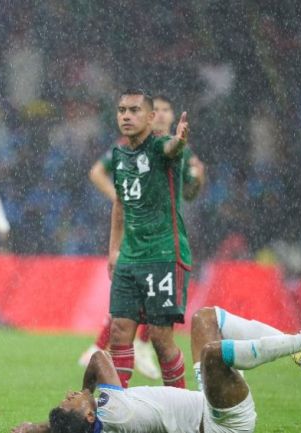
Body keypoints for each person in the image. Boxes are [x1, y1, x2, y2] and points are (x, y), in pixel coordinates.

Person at [11, 302, 301, 433]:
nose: (72, 393)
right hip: (221, 425)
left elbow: (70, 425)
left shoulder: (96, 422)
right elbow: (100, 359)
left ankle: (293, 350)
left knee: (205, 319)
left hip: (209, 403)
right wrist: (87, 388)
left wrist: (39, 428)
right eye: (73, 399)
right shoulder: (115, 411)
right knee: (213, 354)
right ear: (88, 415)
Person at [79, 95, 208, 382]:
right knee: (119, 331)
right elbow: (120, 205)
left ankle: (179, 410)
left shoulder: (162, 148)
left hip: (163, 255)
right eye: (122, 110)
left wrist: (181, 141)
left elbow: (173, 150)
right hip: (129, 257)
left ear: (150, 118)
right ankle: (119, 406)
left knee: (161, 338)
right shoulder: (120, 155)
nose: (126, 116)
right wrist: (113, 251)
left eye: (135, 111)